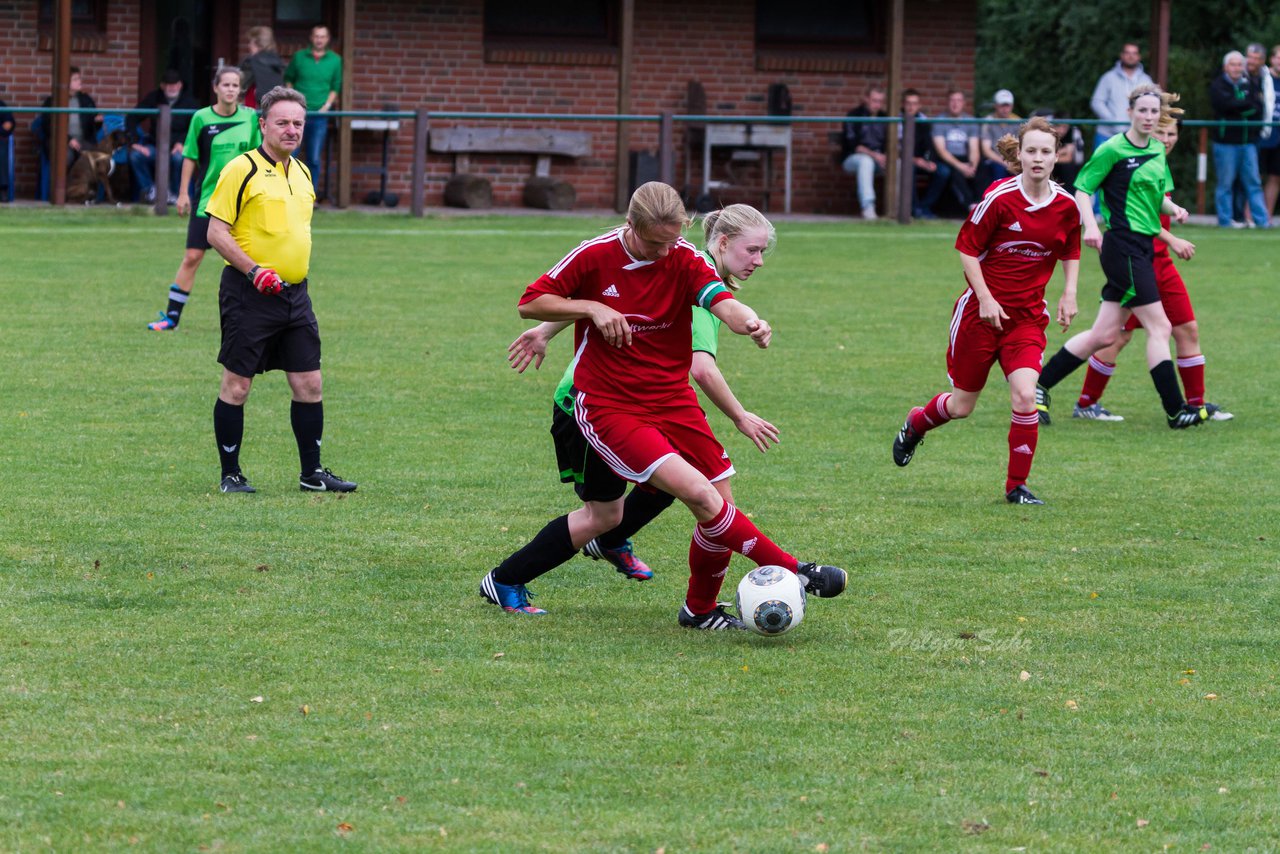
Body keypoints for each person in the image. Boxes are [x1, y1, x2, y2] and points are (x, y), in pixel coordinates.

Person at [479, 182, 846, 628]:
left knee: (711, 502)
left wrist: (750, 322)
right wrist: (593, 308)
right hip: (609, 404)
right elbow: (530, 302)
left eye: (673, 240)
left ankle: (700, 610)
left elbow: (720, 301)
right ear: (630, 226)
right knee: (691, 496)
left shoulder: (685, 258)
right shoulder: (595, 254)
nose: (664, 252)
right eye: (655, 243)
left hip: (673, 400)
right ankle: (798, 570)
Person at [506, 204, 782, 583]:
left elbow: (617, 300)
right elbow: (700, 367)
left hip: (645, 398)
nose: (759, 261)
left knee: (676, 488)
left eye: (763, 251)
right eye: (752, 250)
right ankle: (510, 577)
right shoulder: (687, 273)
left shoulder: (678, 260)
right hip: (593, 402)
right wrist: (739, 415)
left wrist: (547, 330)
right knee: (611, 512)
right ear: (723, 241)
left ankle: (620, 547)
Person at [892, 117, 1080, 506]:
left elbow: (1071, 248)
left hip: (1026, 319)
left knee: (1026, 396)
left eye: (1046, 151)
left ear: (1056, 156)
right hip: (979, 317)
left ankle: (1017, 487)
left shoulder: (1065, 205)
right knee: (961, 406)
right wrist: (987, 298)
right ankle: (916, 423)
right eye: (1031, 151)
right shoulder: (1000, 197)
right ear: (1021, 154)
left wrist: (1070, 293)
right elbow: (967, 249)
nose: (1038, 158)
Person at [204, 85, 356, 495]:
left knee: (310, 384)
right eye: (283, 122)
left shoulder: (303, 172)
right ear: (263, 124)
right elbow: (215, 232)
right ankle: (231, 474)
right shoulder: (242, 168)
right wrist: (254, 271)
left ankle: (313, 474)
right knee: (237, 385)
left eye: (298, 123)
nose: (291, 130)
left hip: (295, 295)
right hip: (248, 292)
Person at [1033, 85, 1206, 430]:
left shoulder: (1157, 149)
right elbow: (1083, 189)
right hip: (1123, 247)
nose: (1148, 116)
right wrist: (1091, 227)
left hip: (1141, 247)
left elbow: (1158, 198)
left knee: (1103, 334)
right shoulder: (1112, 149)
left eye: (1153, 112)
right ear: (1130, 113)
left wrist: (1177, 208)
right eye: (1142, 110)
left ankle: (1037, 387)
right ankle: (1176, 411)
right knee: (1160, 326)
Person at [1070, 120, 1233, 423]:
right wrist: (1173, 239)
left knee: (1187, 329)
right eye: (1161, 133)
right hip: (1137, 263)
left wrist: (1176, 216)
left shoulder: (1159, 163)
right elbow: (1138, 218)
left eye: (1172, 133)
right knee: (1115, 337)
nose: (1167, 139)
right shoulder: (1128, 163)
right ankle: (1086, 403)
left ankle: (1195, 406)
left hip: (1162, 266)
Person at [145, 67, 261, 332]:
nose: (231, 89)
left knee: (245, 260)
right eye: (226, 84)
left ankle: (254, 318)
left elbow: (258, 156)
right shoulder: (201, 118)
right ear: (216, 88)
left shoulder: (251, 119)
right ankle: (171, 318)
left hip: (241, 202)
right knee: (192, 256)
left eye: (235, 85)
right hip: (208, 199)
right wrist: (184, 192)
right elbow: (190, 156)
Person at [1209, 51, 1269, 229]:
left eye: (1239, 64)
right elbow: (1224, 106)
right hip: (1225, 143)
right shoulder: (1217, 85)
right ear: (1225, 67)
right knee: (1225, 185)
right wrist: (1243, 106)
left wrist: (1238, 106)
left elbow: (1257, 108)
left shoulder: (1250, 83)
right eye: (1232, 64)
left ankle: (1262, 222)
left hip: (1248, 142)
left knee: (1254, 184)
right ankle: (1225, 222)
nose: (1236, 68)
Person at [284, 24, 342, 200]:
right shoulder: (299, 57)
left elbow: (335, 86)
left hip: (319, 115)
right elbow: (288, 80)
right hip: (296, 115)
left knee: (314, 158)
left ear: (327, 39)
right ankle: (285, 193)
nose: (319, 39)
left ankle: (310, 196)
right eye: (316, 36)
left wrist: (327, 106)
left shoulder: (335, 60)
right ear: (311, 37)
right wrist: (293, 102)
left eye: (323, 36)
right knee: (289, 154)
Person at [126, 69, 200, 204]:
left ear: (180, 85)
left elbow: (195, 128)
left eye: (175, 84)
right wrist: (134, 141)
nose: (172, 87)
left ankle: (174, 194)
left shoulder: (190, 102)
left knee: (179, 159)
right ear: (162, 85)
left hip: (179, 148)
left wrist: (182, 143)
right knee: (135, 156)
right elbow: (131, 118)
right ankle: (150, 191)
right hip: (155, 146)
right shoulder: (153, 98)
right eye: (168, 84)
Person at [1091, 42, 1154, 147]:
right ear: (1122, 55)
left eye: (1134, 53)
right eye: (1127, 52)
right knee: (1101, 164)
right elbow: (1097, 102)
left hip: (1135, 137)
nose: (1131, 56)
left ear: (1139, 57)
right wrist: (1112, 121)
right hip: (1106, 135)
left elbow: (1152, 105)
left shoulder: (1146, 80)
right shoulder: (1108, 77)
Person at [840, 84, 888, 220]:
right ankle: (868, 208)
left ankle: (899, 208)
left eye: (880, 101)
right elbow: (854, 145)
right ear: (866, 99)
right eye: (874, 100)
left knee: (899, 163)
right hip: (853, 159)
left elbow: (892, 143)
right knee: (865, 161)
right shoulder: (854, 115)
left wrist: (886, 156)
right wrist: (875, 155)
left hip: (880, 160)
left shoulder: (885, 117)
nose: (877, 104)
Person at [35, 67, 99, 168]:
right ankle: (63, 184)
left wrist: (97, 121)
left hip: (83, 140)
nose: (79, 81)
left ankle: (83, 184)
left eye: (79, 78)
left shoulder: (86, 99)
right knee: (65, 157)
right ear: (66, 82)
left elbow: (94, 126)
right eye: (75, 79)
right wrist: (68, 139)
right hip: (60, 141)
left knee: (95, 159)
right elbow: (48, 126)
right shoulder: (53, 101)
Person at [901, 88, 950, 219]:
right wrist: (914, 160)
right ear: (903, 104)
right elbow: (895, 149)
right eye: (908, 103)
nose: (911, 107)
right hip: (904, 161)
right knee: (907, 169)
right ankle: (913, 208)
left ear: (919, 105)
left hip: (922, 161)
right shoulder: (897, 121)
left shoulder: (924, 121)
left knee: (943, 171)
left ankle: (924, 207)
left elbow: (930, 146)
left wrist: (928, 161)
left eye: (914, 103)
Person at [931, 89, 981, 212]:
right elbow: (941, 151)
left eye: (958, 100)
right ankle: (970, 205)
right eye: (952, 100)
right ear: (947, 103)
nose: (955, 104)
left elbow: (974, 148)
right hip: (947, 158)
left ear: (964, 103)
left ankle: (982, 203)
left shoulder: (971, 121)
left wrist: (972, 165)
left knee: (983, 167)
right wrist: (961, 167)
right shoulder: (939, 121)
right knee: (953, 171)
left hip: (965, 157)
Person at [977, 89, 1020, 189]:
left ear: (1012, 106)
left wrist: (1014, 162)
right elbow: (986, 150)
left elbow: (1021, 146)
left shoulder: (1018, 121)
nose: (1005, 109)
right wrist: (1005, 163)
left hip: (1013, 159)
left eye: (1007, 105)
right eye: (1002, 105)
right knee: (998, 169)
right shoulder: (988, 121)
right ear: (995, 106)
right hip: (994, 159)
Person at [240, 26, 285, 109]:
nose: (248, 45)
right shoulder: (278, 61)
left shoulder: (250, 62)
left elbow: (241, 85)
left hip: (255, 106)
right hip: (275, 105)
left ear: (257, 43)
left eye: (250, 42)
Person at [1263, 44, 1280, 217]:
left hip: (1279, 136)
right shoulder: (1263, 78)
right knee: (1254, 178)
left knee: (1275, 177)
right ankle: (1249, 216)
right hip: (1262, 134)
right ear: (1272, 59)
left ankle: (1265, 216)